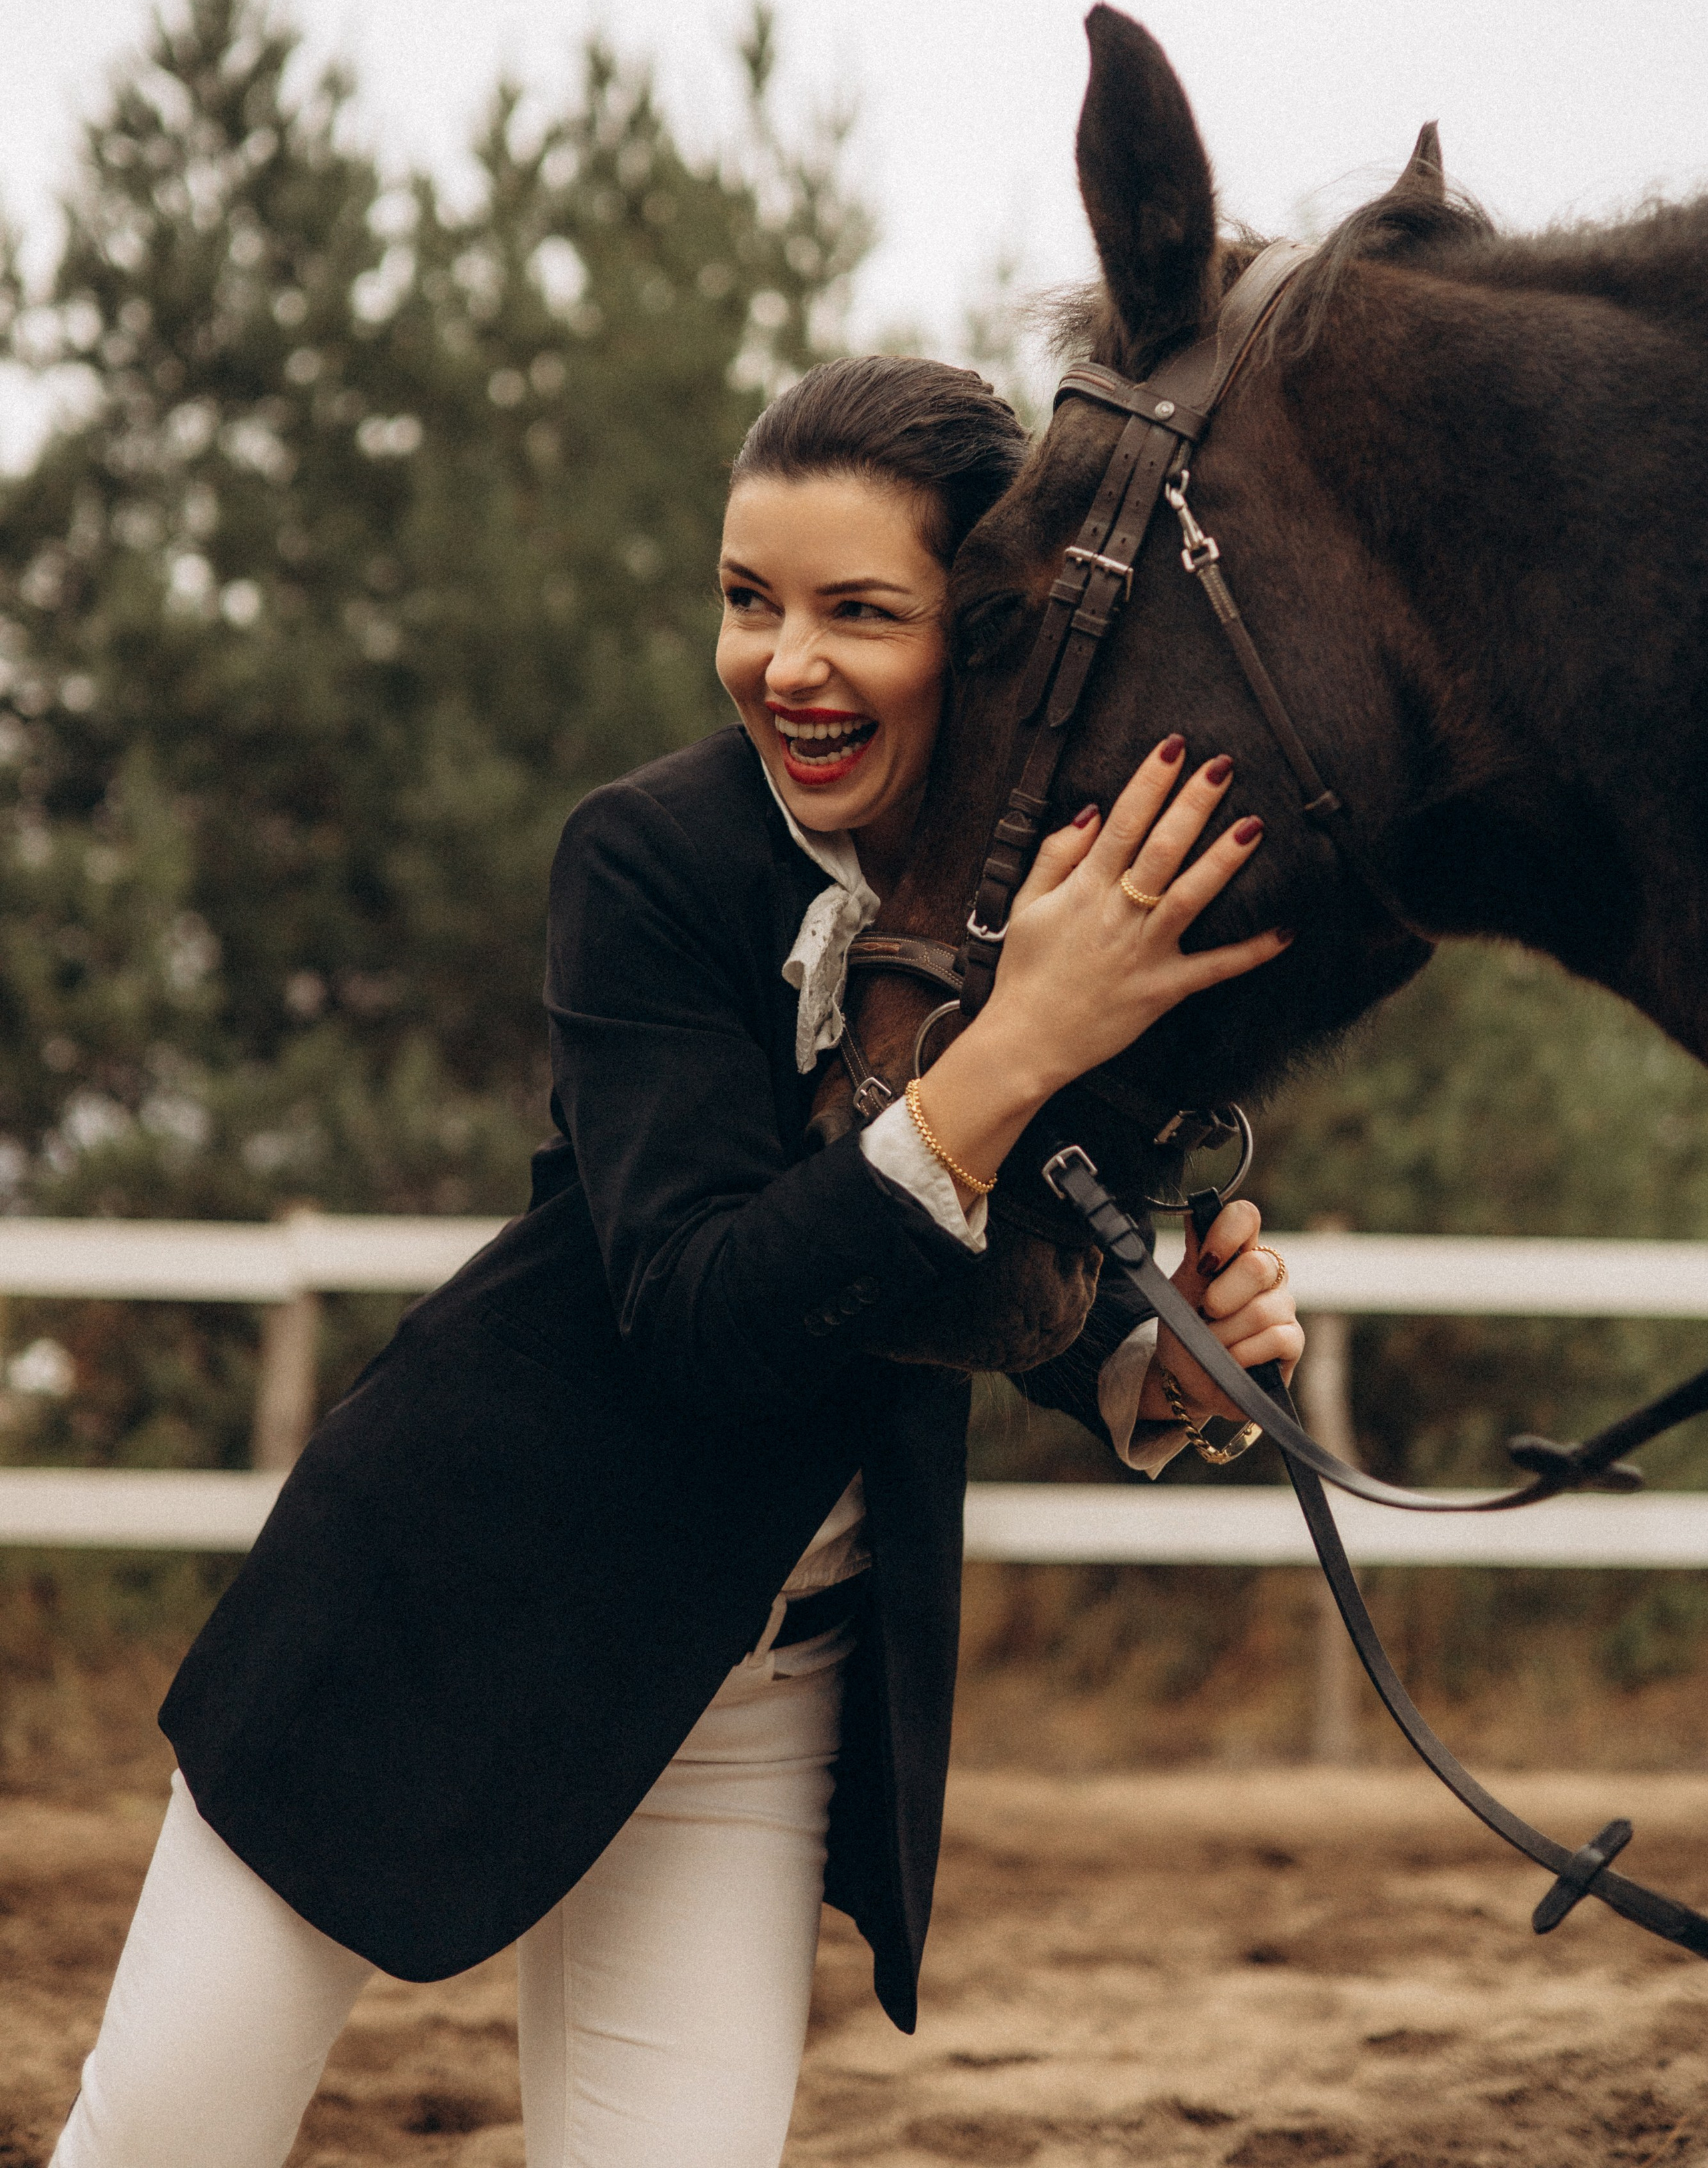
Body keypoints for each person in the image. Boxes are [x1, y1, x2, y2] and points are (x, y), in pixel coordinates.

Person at [51, 356, 1302, 2168]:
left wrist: (1148, 1368)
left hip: (767, 1689)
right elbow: (706, 1308)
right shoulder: (647, 859)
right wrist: (1015, 1048)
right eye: (748, 601)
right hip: (450, 1603)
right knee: (162, 2145)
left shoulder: (1060, 899)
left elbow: (993, 1270)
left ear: (988, 635)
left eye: (856, 612)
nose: (784, 662)